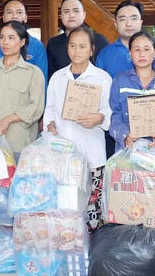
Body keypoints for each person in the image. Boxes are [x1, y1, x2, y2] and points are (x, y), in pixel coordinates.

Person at [44, 25, 113, 231]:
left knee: (93, 212)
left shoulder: (102, 78)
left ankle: (92, 246)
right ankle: (69, 246)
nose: (76, 51)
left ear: (92, 50)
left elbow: (110, 113)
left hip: (92, 155)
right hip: (63, 157)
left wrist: (100, 118)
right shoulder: (58, 78)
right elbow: (49, 110)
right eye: (72, 46)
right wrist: (50, 125)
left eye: (82, 46)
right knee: (66, 209)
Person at [0, 20, 45, 154]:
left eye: (11, 38)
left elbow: (36, 108)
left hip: (18, 145)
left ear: (22, 42)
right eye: (2, 37)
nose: (5, 42)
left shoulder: (33, 73)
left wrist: (8, 120)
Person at [109, 31, 155, 154]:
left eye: (146, 49)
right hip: (128, 151)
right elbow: (115, 113)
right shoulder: (120, 80)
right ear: (130, 53)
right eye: (137, 50)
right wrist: (125, 135)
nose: (141, 54)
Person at [0, 0, 49, 85]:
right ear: (3, 17)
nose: (14, 16)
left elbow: (42, 81)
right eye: (9, 12)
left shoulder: (37, 45)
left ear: (26, 18)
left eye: (19, 12)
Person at [97, 0, 155, 79]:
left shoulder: (154, 52)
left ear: (141, 23)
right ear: (116, 24)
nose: (128, 24)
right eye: (122, 19)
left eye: (134, 19)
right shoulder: (105, 54)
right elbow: (99, 83)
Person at [46, 0, 109, 76]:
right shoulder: (53, 43)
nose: (71, 15)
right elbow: (51, 75)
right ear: (61, 16)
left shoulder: (99, 40)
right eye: (66, 11)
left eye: (76, 11)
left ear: (84, 15)